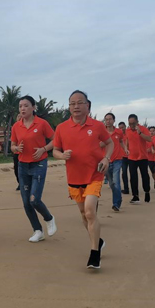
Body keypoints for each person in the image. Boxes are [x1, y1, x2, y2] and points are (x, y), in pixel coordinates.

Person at [53, 90, 113, 269]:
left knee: (90, 211)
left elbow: (110, 143)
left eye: (80, 102)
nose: (76, 106)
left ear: (88, 105)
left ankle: (94, 254)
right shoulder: (61, 128)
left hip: (95, 174)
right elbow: (55, 150)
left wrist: (106, 158)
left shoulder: (97, 126)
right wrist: (62, 155)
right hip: (74, 177)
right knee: (83, 214)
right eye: (72, 103)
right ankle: (98, 241)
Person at [10, 96, 57, 242]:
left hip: (39, 164)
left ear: (33, 107)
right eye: (20, 106)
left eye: (26, 105)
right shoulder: (16, 126)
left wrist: (44, 149)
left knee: (34, 200)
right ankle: (37, 230)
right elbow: (12, 146)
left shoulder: (42, 123)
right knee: (26, 202)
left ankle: (49, 218)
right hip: (23, 166)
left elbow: (55, 140)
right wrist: (16, 148)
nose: (22, 108)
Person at [124, 114, 152, 204]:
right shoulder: (127, 130)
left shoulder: (143, 129)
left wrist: (140, 133)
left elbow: (149, 139)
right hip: (132, 157)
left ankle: (147, 191)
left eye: (133, 123)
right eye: (130, 123)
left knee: (144, 175)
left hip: (142, 157)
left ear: (137, 122)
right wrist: (126, 149)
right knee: (133, 176)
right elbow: (127, 140)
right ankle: (135, 196)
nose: (132, 125)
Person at [103, 113, 127, 212]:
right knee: (112, 183)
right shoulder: (102, 131)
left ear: (114, 120)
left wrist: (125, 149)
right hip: (106, 160)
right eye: (106, 119)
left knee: (116, 181)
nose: (108, 121)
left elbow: (121, 141)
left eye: (110, 119)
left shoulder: (118, 132)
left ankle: (116, 203)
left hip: (117, 159)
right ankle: (119, 198)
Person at [118, 121, 130, 194]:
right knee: (124, 172)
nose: (121, 129)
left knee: (132, 173)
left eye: (122, 127)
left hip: (131, 156)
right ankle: (126, 188)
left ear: (125, 126)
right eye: (120, 128)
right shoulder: (119, 135)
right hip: (123, 157)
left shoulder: (129, 133)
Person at [147, 125, 155, 191]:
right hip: (150, 159)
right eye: (150, 131)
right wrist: (147, 150)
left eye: (153, 131)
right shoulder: (147, 139)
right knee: (153, 172)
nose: (151, 132)